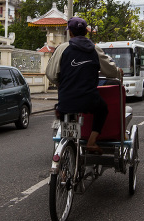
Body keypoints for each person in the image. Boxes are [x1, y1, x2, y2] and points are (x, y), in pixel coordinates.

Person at [46, 17, 122, 154]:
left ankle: (65, 149)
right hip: (89, 100)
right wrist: (118, 72)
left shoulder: (62, 48)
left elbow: (51, 75)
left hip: (66, 101)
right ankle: (91, 142)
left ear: (70, 33)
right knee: (103, 109)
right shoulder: (95, 49)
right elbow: (110, 72)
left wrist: (60, 83)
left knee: (63, 112)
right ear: (86, 32)